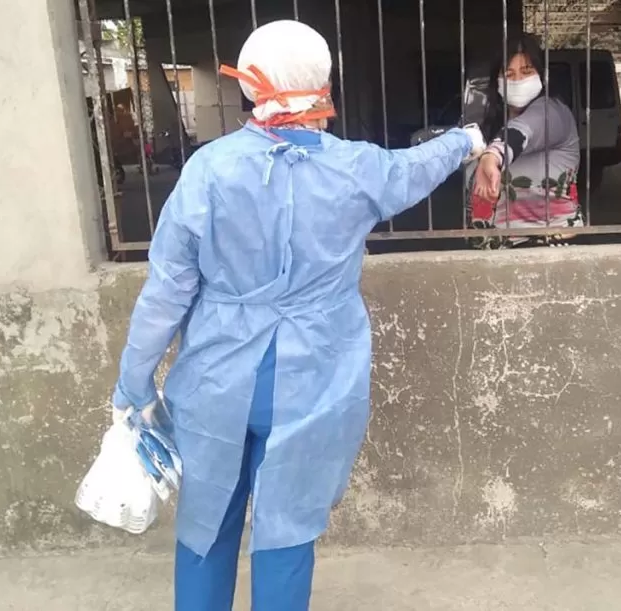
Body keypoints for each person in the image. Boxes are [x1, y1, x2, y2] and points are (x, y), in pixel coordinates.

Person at [109, 20, 484, 611]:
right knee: (286, 531)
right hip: (316, 380)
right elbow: (417, 166)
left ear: (252, 86)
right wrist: (469, 139)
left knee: (206, 523)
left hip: (217, 379)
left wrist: (132, 385)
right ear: (323, 84)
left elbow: (166, 291)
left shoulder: (209, 170)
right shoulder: (359, 169)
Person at [469, 33, 581, 248]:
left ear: (543, 75)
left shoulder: (552, 113)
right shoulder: (489, 124)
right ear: (497, 81)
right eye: (509, 74)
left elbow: (523, 132)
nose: (518, 81)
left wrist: (493, 155)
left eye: (526, 71)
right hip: (490, 254)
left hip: (544, 250)